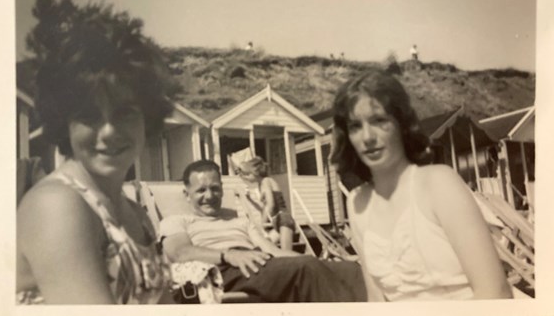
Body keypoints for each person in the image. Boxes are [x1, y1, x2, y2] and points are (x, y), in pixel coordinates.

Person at [16, 14, 180, 304]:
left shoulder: (136, 215)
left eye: (124, 113)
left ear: (148, 117)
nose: (109, 131)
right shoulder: (57, 204)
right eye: (89, 116)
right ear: (64, 123)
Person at [330, 69, 512, 301]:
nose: (367, 137)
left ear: (401, 124)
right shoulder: (358, 203)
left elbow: (495, 293)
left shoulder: (438, 184)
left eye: (379, 120)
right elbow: (376, 301)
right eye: (355, 126)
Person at [160, 160, 367, 302]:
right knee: (306, 269)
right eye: (201, 190)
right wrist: (229, 256)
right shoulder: (176, 221)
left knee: (349, 270)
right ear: (187, 195)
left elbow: (274, 252)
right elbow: (180, 252)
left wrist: (327, 262)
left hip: (258, 264)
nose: (210, 195)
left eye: (215, 188)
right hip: (220, 270)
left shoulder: (240, 221)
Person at [235, 156, 296, 251]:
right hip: (276, 221)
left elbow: (271, 204)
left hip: (283, 219)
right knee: (265, 248)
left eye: (248, 175)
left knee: (287, 253)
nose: (246, 178)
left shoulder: (266, 181)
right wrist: (250, 199)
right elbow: (264, 209)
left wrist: (262, 224)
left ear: (255, 173)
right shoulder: (260, 185)